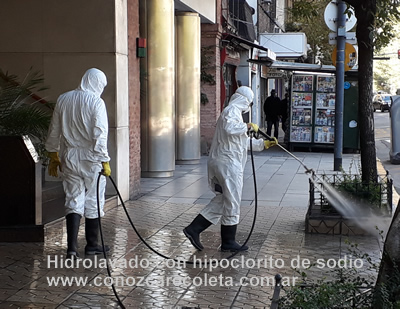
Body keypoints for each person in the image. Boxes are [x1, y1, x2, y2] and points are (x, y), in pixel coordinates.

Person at [183, 86, 277, 252]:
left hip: (225, 162)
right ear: (244, 100)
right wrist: (248, 126)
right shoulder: (231, 111)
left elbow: (240, 143)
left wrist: (263, 144)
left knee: (224, 200)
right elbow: (230, 128)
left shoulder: (235, 114)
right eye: (249, 102)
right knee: (233, 201)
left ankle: (194, 229)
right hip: (227, 163)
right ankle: (228, 241)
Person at [45, 68, 111, 258]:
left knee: (73, 198)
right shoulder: (97, 102)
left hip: (70, 156)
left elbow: (54, 128)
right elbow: (100, 134)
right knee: (94, 199)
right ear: (95, 82)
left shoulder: (63, 98)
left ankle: (71, 248)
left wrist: (53, 153)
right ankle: (92, 245)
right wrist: (104, 160)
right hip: (92, 158)